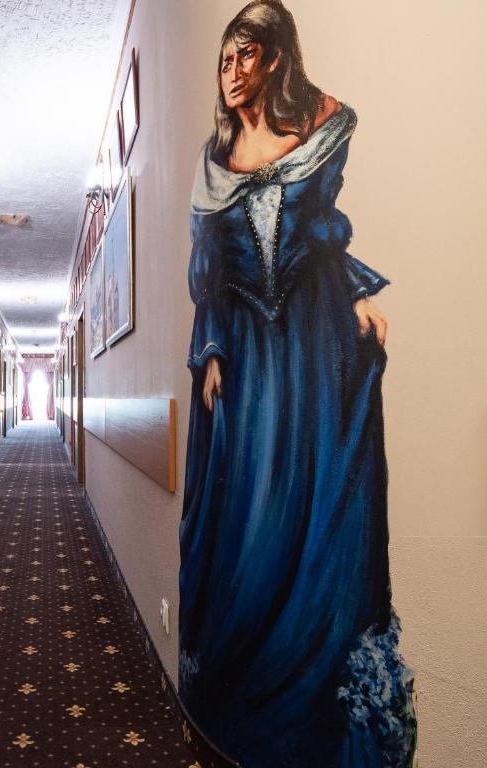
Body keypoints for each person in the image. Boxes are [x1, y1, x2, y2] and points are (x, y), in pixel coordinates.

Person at [178, 2, 417, 766]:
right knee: (252, 522)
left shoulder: (322, 127)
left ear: (275, 58)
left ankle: (321, 708)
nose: (231, 71)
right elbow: (210, 270)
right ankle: (241, 698)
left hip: (314, 341)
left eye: (245, 55)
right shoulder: (214, 158)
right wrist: (211, 349)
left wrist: (358, 295)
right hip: (249, 354)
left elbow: (321, 235)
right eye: (224, 59)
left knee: (322, 511)